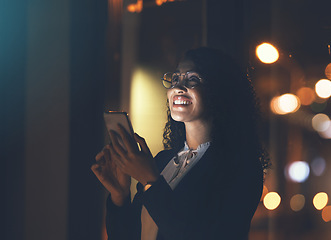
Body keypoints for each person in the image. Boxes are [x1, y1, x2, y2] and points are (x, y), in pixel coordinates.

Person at [91, 47, 269, 240]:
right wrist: (120, 197)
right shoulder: (162, 161)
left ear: (220, 90)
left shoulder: (242, 168)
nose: (178, 87)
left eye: (192, 79)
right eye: (175, 79)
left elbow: (198, 233)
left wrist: (151, 182)